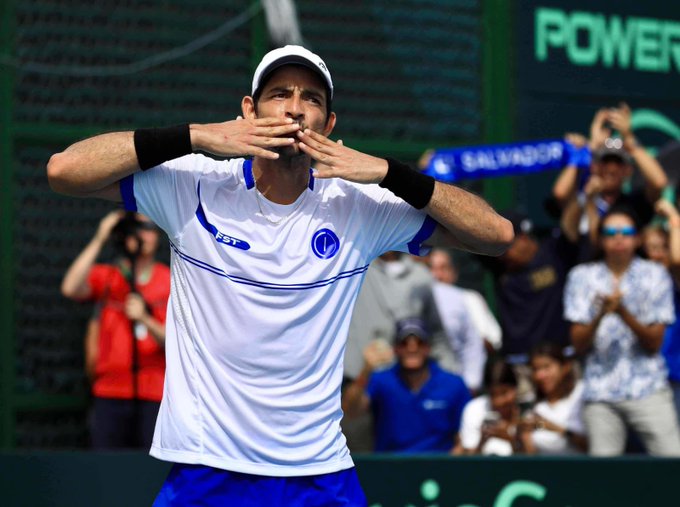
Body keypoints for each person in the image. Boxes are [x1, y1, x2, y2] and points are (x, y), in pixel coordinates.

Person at [47, 45, 512, 505]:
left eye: (311, 99)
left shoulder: (360, 205)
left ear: (328, 125)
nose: (294, 109)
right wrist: (195, 135)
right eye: (279, 94)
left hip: (319, 474)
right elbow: (64, 170)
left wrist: (390, 173)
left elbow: (496, 235)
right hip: (207, 468)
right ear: (249, 110)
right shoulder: (193, 183)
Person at [564, 206, 680, 456]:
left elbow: (653, 343)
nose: (619, 237)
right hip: (600, 392)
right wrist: (601, 314)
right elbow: (578, 344)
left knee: (673, 463)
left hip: (648, 387)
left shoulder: (656, 274)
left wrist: (623, 313)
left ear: (637, 238)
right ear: (601, 238)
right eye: (611, 231)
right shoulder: (581, 276)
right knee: (604, 475)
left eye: (626, 231)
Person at [61, 210, 169, 449]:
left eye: (149, 228)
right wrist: (101, 236)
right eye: (136, 229)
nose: (143, 235)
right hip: (109, 391)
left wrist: (145, 319)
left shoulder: (168, 279)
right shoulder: (110, 276)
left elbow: (178, 343)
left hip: (155, 392)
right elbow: (70, 287)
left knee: (150, 471)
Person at [551, 104, 668, 258]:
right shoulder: (580, 196)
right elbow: (559, 193)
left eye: (618, 164)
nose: (611, 170)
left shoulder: (634, 204)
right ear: (594, 167)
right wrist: (588, 149)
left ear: (628, 171)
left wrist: (629, 139)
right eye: (605, 162)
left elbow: (659, 182)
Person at [341, 318, 470, 453]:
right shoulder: (381, 380)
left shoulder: (453, 384)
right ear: (396, 349)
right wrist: (365, 371)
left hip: (439, 467)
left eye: (419, 343)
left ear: (428, 348)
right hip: (391, 467)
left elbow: (464, 438)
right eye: (404, 343)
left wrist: (449, 466)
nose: (412, 348)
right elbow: (351, 411)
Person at [426, 247, 493, 392]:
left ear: (454, 272)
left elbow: (487, 341)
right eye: (432, 268)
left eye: (443, 268)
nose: (437, 275)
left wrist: (471, 382)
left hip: (461, 382)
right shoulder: (419, 299)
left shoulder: (470, 298)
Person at [517, 342, 587, 455]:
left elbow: (591, 445)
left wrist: (553, 427)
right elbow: (531, 456)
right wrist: (524, 435)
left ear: (565, 367)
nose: (540, 376)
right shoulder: (533, 405)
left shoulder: (581, 394)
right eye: (535, 369)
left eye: (546, 367)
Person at [648, 200, 680, 423]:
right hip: (646, 378)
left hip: (676, 376)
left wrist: (673, 218)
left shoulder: (674, 279)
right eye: (652, 248)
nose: (657, 255)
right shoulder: (640, 278)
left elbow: (678, 260)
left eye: (663, 248)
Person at [454, 355, 521, 456]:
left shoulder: (528, 412)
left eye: (504, 393)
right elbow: (468, 459)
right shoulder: (474, 409)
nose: (500, 401)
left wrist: (510, 439)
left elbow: (532, 461)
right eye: (494, 395)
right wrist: (482, 441)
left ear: (515, 388)